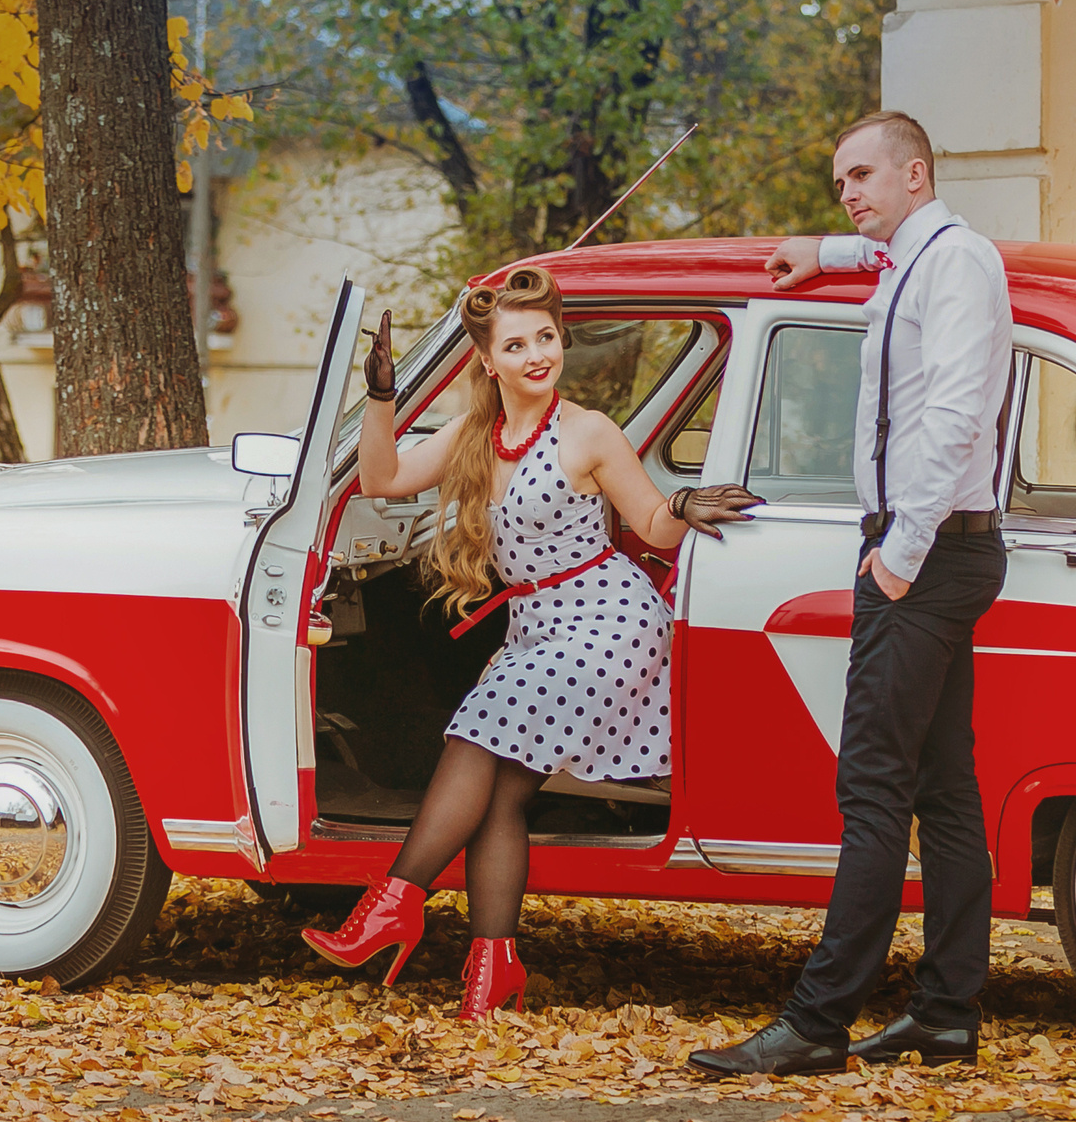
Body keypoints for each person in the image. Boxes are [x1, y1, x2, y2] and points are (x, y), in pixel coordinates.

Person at [302, 268, 762, 1021]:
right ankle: (493, 971)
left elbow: (649, 525)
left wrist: (681, 501)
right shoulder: (471, 439)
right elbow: (380, 479)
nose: (537, 354)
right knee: (499, 799)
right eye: (516, 344)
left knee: (472, 740)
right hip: (538, 633)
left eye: (546, 337)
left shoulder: (588, 431)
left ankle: (389, 907)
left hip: (608, 623)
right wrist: (382, 397)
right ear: (488, 361)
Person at [689, 111, 1014, 1076]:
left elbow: (957, 411)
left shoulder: (955, 263)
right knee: (944, 790)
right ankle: (948, 1010)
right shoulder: (915, 259)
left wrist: (902, 553)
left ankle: (817, 1021)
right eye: (840, 183)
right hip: (937, 551)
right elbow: (880, 258)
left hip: (926, 553)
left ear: (916, 172)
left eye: (863, 176)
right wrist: (817, 248)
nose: (850, 192)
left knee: (872, 788)